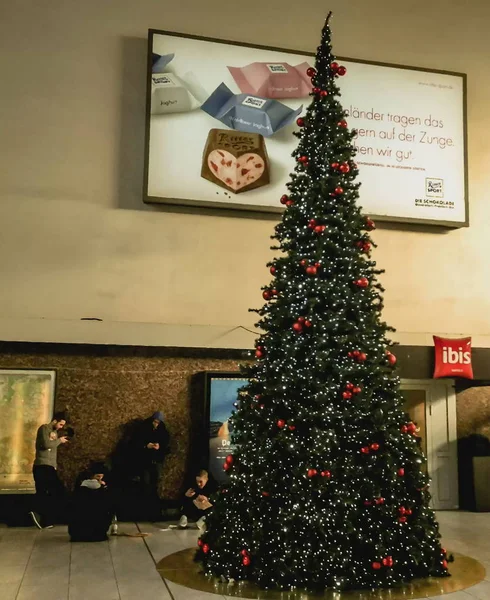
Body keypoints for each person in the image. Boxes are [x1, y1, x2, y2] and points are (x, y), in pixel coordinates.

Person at [29, 411, 69, 529]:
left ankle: (44, 518)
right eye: (60, 424)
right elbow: (46, 444)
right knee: (46, 492)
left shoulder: (54, 433)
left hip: (50, 466)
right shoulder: (44, 428)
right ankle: (40, 516)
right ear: (55, 420)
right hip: (42, 465)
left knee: (51, 492)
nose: (61, 427)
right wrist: (59, 441)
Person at [69, 462, 116, 542]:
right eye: (98, 476)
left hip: (77, 535)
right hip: (97, 535)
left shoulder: (80, 488)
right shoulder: (101, 489)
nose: (100, 479)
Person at [137, 411, 170, 520]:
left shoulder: (163, 430)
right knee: (145, 483)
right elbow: (136, 442)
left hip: (157, 460)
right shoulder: (144, 428)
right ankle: (145, 508)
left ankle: (153, 508)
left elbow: (167, 444)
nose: (156, 424)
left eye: (158, 422)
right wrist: (147, 446)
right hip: (145, 461)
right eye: (155, 422)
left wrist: (159, 446)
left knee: (155, 483)